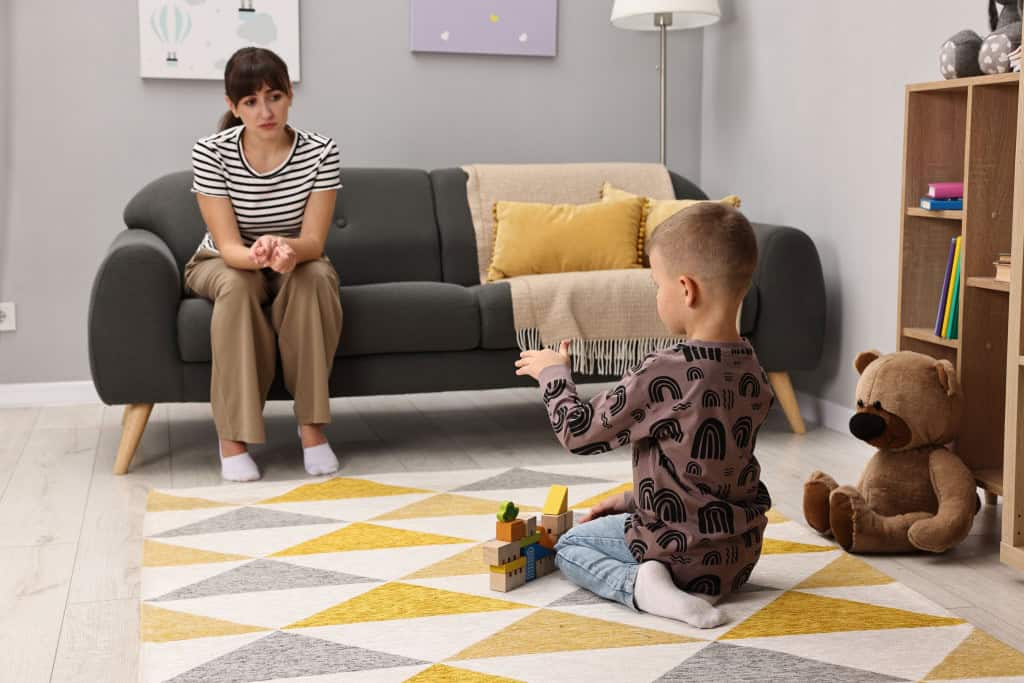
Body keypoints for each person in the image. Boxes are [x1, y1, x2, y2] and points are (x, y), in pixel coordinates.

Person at [514, 203, 774, 628]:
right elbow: (714, 470)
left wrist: (554, 375)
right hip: (739, 558)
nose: (657, 295)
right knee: (614, 524)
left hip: (676, 553)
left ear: (686, 289)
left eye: (657, 284)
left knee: (570, 545)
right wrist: (631, 499)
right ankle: (691, 587)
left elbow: (579, 433)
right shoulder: (752, 368)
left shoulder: (666, 370)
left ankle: (644, 586)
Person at [186, 47, 343, 482]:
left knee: (313, 280)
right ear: (232, 107)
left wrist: (286, 251)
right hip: (225, 260)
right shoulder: (210, 152)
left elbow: (313, 241)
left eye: (274, 96)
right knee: (238, 285)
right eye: (251, 101)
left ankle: (312, 429)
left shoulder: (320, 151)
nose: (265, 111)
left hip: (297, 258)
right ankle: (232, 439)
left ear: (290, 94)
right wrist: (256, 256)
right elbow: (229, 245)